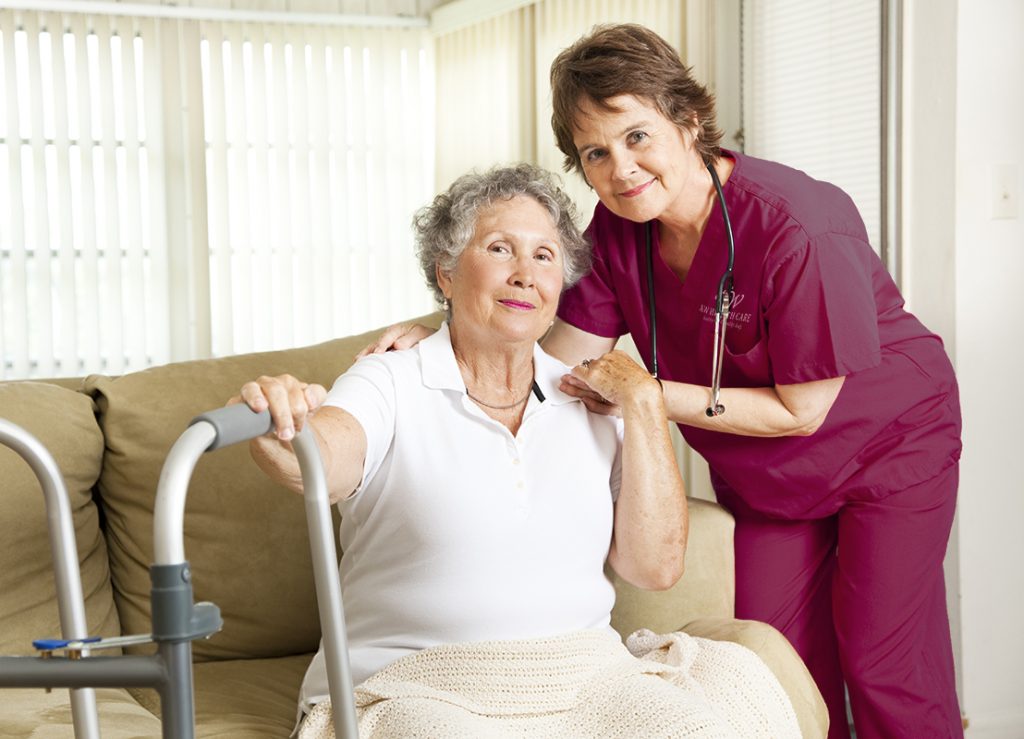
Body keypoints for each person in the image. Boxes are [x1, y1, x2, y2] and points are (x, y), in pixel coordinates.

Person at [362, 24, 963, 739]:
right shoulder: (619, 233)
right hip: (772, 478)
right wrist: (441, 339)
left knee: (883, 660)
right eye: (596, 153)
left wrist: (644, 392)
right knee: (776, 668)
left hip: (890, 448)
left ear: (689, 120)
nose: (621, 169)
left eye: (638, 136)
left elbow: (802, 410)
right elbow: (552, 361)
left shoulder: (801, 225)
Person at [235, 164, 799, 737]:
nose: (526, 275)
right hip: (415, 683)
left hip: (584, 680)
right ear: (447, 274)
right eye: (501, 249)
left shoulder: (594, 398)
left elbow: (654, 568)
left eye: (545, 256)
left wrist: (645, 402)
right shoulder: (390, 380)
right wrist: (284, 422)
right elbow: (318, 466)